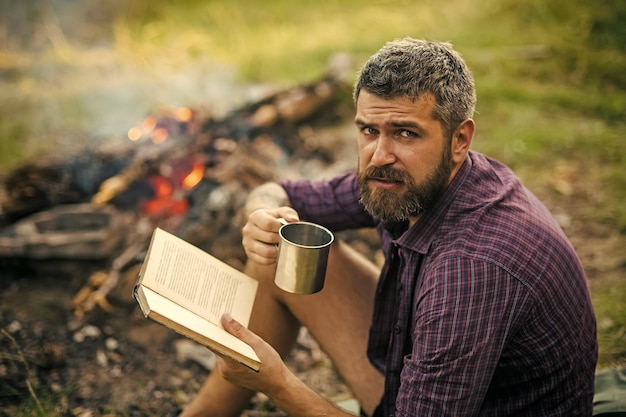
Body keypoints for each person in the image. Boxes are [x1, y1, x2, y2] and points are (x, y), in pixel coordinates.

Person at [179, 38, 598, 417]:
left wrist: (278, 384)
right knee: (278, 256)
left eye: (406, 133)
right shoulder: (403, 180)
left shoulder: (470, 268)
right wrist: (263, 214)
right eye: (368, 130)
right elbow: (284, 191)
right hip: (417, 385)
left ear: (460, 139)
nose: (380, 154)